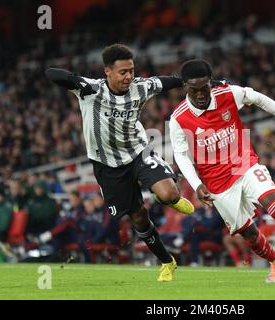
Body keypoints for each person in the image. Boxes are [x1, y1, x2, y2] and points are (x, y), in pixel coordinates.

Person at [169, 59, 275, 283]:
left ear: (210, 82)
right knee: (249, 232)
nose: (200, 95)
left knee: (274, 204)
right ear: (185, 87)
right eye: (194, 90)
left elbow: (257, 98)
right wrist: (196, 184)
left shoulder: (228, 94)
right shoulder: (178, 118)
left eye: (204, 88)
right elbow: (180, 154)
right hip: (216, 182)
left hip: (243, 163)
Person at [46, 43, 195, 281]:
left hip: (138, 152)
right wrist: (76, 80)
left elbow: (170, 81)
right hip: (106, 165)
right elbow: (52, 73)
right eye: (123, 72)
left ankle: (172, 199)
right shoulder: (91, 90)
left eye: (131, 71)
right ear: (108, 72)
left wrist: (199, 81)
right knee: (138, 217)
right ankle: (167, 261)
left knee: (168, 194)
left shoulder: (140, 88)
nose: (129, 77)